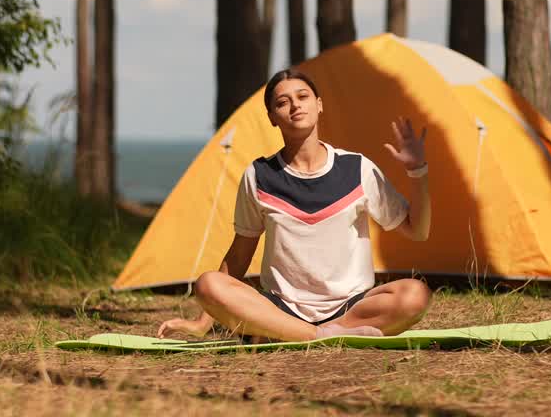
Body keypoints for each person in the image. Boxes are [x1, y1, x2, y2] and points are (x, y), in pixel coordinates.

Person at [157, 68, 434, 342]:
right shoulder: (259, 175)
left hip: (352, 306)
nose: (295, 105)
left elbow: (417, 231)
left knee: (415, 295)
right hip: (281, 308)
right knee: (208, 284)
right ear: (272, 118)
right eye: (282, 102)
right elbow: (239, 254)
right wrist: (203, 322)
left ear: (319, 104)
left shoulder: (357, 169)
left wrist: (418, 172)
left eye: (303, 96)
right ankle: (316, 334)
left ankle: (287, 334)